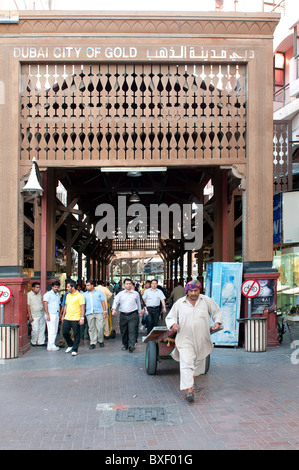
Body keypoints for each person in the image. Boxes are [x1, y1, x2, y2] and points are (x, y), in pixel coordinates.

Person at [165, 280, 222, 403]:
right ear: (187, 291)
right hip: (185, 339)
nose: (193, 293)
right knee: (187, 363)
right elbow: (170, 317)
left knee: (198, 363)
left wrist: (217, 322)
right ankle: (189, 391)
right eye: (191, 291)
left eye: (195, 290)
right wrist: (174, 325)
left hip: (202, 338)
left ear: (199, 290)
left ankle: (192, 382)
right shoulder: (180, 303)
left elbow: (217, 312)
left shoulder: (206, 301)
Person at [112, 278, 142, 352]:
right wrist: (113, 309)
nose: (128, 285)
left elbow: (138, 303)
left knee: (132, 330)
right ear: (124, 285)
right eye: (127, 284)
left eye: (130, 284)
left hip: (133, 314)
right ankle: (125, 344)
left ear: (132, 285)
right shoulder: (120, 294)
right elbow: (115, 301)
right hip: (123, 315)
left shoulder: (136, 294)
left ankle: (131, 345)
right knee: (124, 330)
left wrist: (140, 312)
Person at [61, 279, 85, 356]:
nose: (66, 289)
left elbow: (82, 308)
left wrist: (82, 318)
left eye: (68, 287)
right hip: (67, 317)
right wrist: (63, 315)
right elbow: (66, 306)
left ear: (73, 287)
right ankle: (70, 344)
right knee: (64, 332)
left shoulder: (80, 296)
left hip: (76, 318)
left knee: (76, 334)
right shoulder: (67, 295)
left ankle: (75, 349)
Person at [84, 280, 107, 350]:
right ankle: (93, 342)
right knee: (91, 328)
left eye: (88, 285)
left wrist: (105, 311)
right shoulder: (84, 294)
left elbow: (103, 301)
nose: (86, 287)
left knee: (101, 326)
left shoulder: (99, 292)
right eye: (86, 285)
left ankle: (100, 340)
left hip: (98, 312)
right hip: (89, 313)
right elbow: (83, 304)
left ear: (92, 285)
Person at [43, 281, 61, 351]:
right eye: (55, 287)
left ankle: (50, 345)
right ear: (52, 287)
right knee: (52, 330)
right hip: (50, 314)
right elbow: (45, 304)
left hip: (56, 313)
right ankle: (52, 345)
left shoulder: (57, 295)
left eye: (57, 287)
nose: (56, 288)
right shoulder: (48, 294)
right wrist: (47, 314)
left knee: (55, 330)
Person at [27, 282, 46, 347]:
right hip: (34, 315)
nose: (38, 289)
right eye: (37, 287)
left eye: (39, 287)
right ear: (32, 288)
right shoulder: (29, 295)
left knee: (42, 328)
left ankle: (40, 342)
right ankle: (33, 341)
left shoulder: (39, 294)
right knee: (35, 329)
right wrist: (30, 316)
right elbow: (28, 306)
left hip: (41, 313)